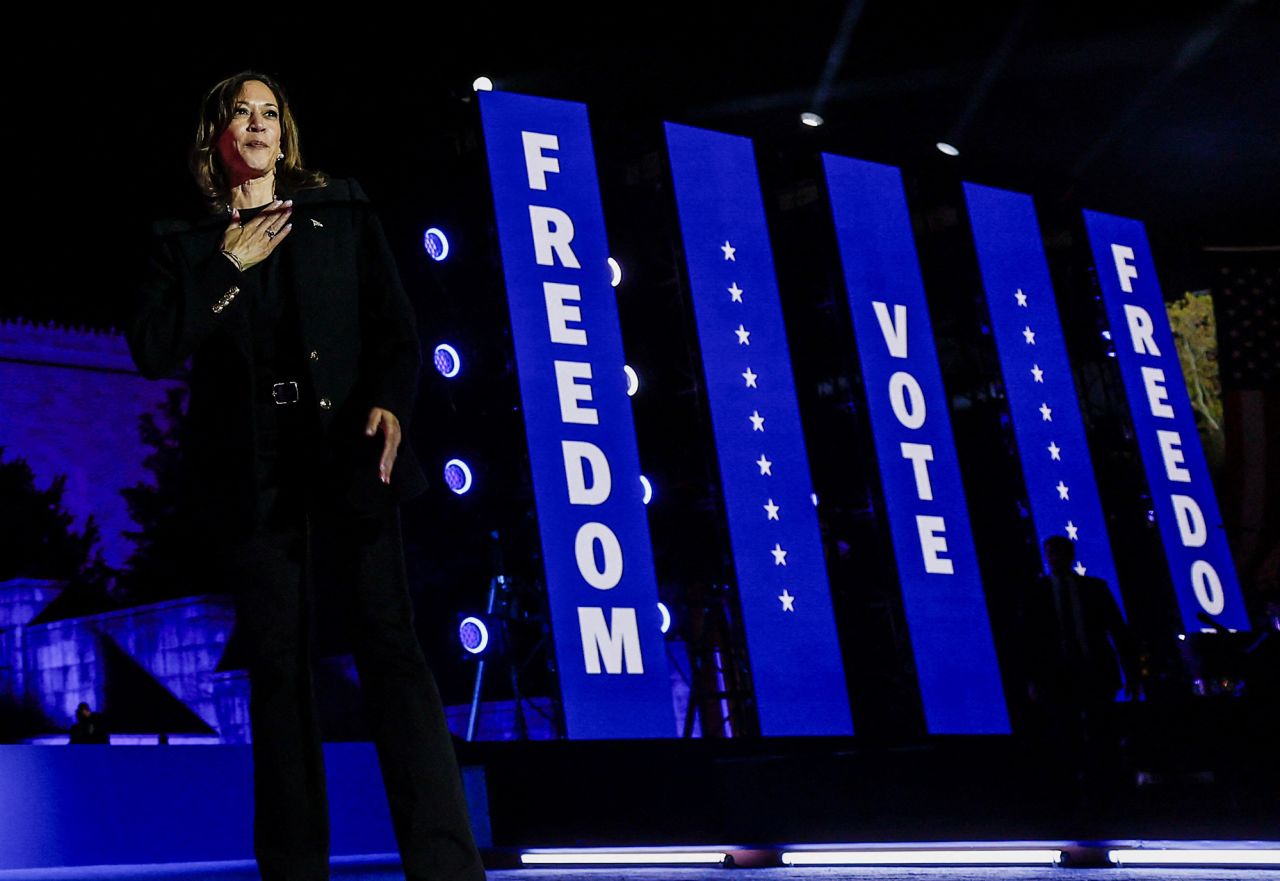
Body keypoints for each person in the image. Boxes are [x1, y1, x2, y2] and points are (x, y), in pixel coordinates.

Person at [127, 71, 484, 881]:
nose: (256, 124)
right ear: (215, 137)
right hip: (252, 475)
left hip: (351, 454)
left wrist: (392, 405)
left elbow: (398, 330)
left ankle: (447, 868)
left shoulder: (342, 211)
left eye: (269, 114)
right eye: (240, 114)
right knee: (280, 679)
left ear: (284, 135)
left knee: (393, 656)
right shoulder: (180, 242)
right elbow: (151, 349)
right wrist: (227, 263)